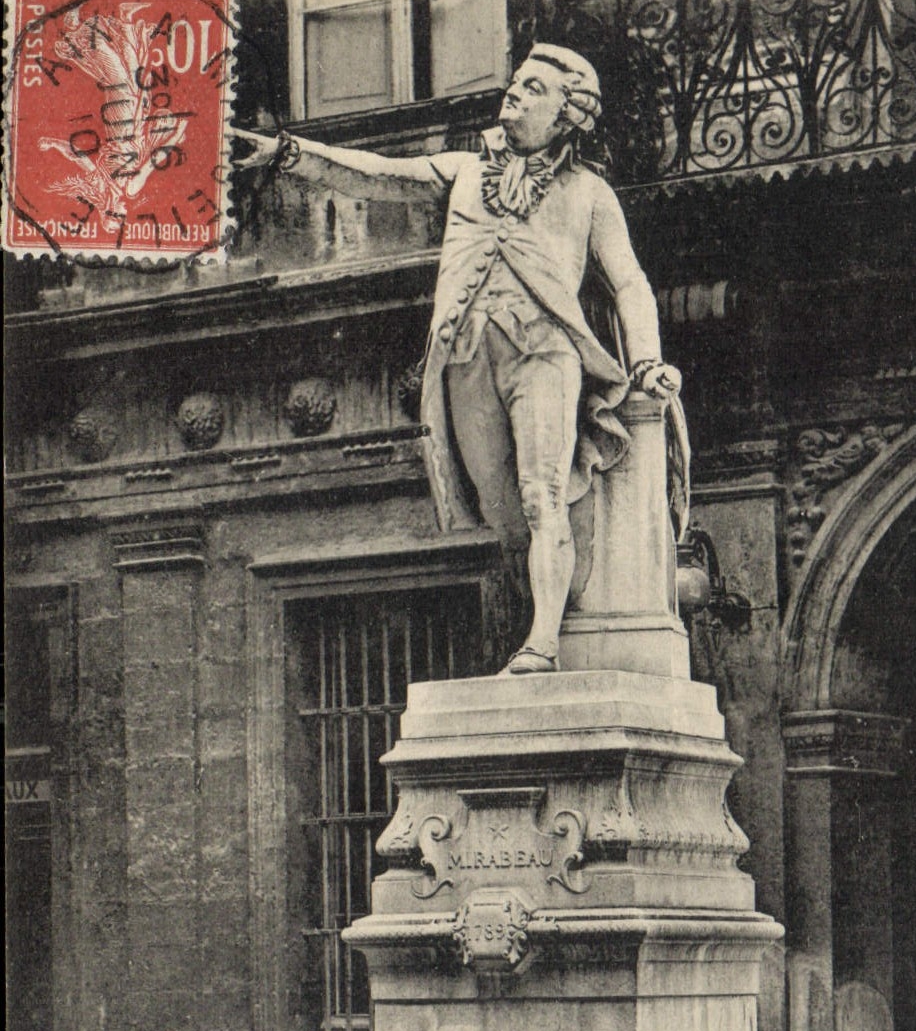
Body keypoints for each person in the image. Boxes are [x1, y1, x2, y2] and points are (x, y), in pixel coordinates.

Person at [234, 44, 681, 674]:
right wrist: (290, 152)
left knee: (539, 492)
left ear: (567, 114)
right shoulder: (468, 171)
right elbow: (378, 176)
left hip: (544, 354)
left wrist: (646, 360)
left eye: (532, 89)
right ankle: (553, 599)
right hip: (467, 356)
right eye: (516, 83)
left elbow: (629, 282)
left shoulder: (589, 193)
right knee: (497, 508)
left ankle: (545, 641)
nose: (514, 94)